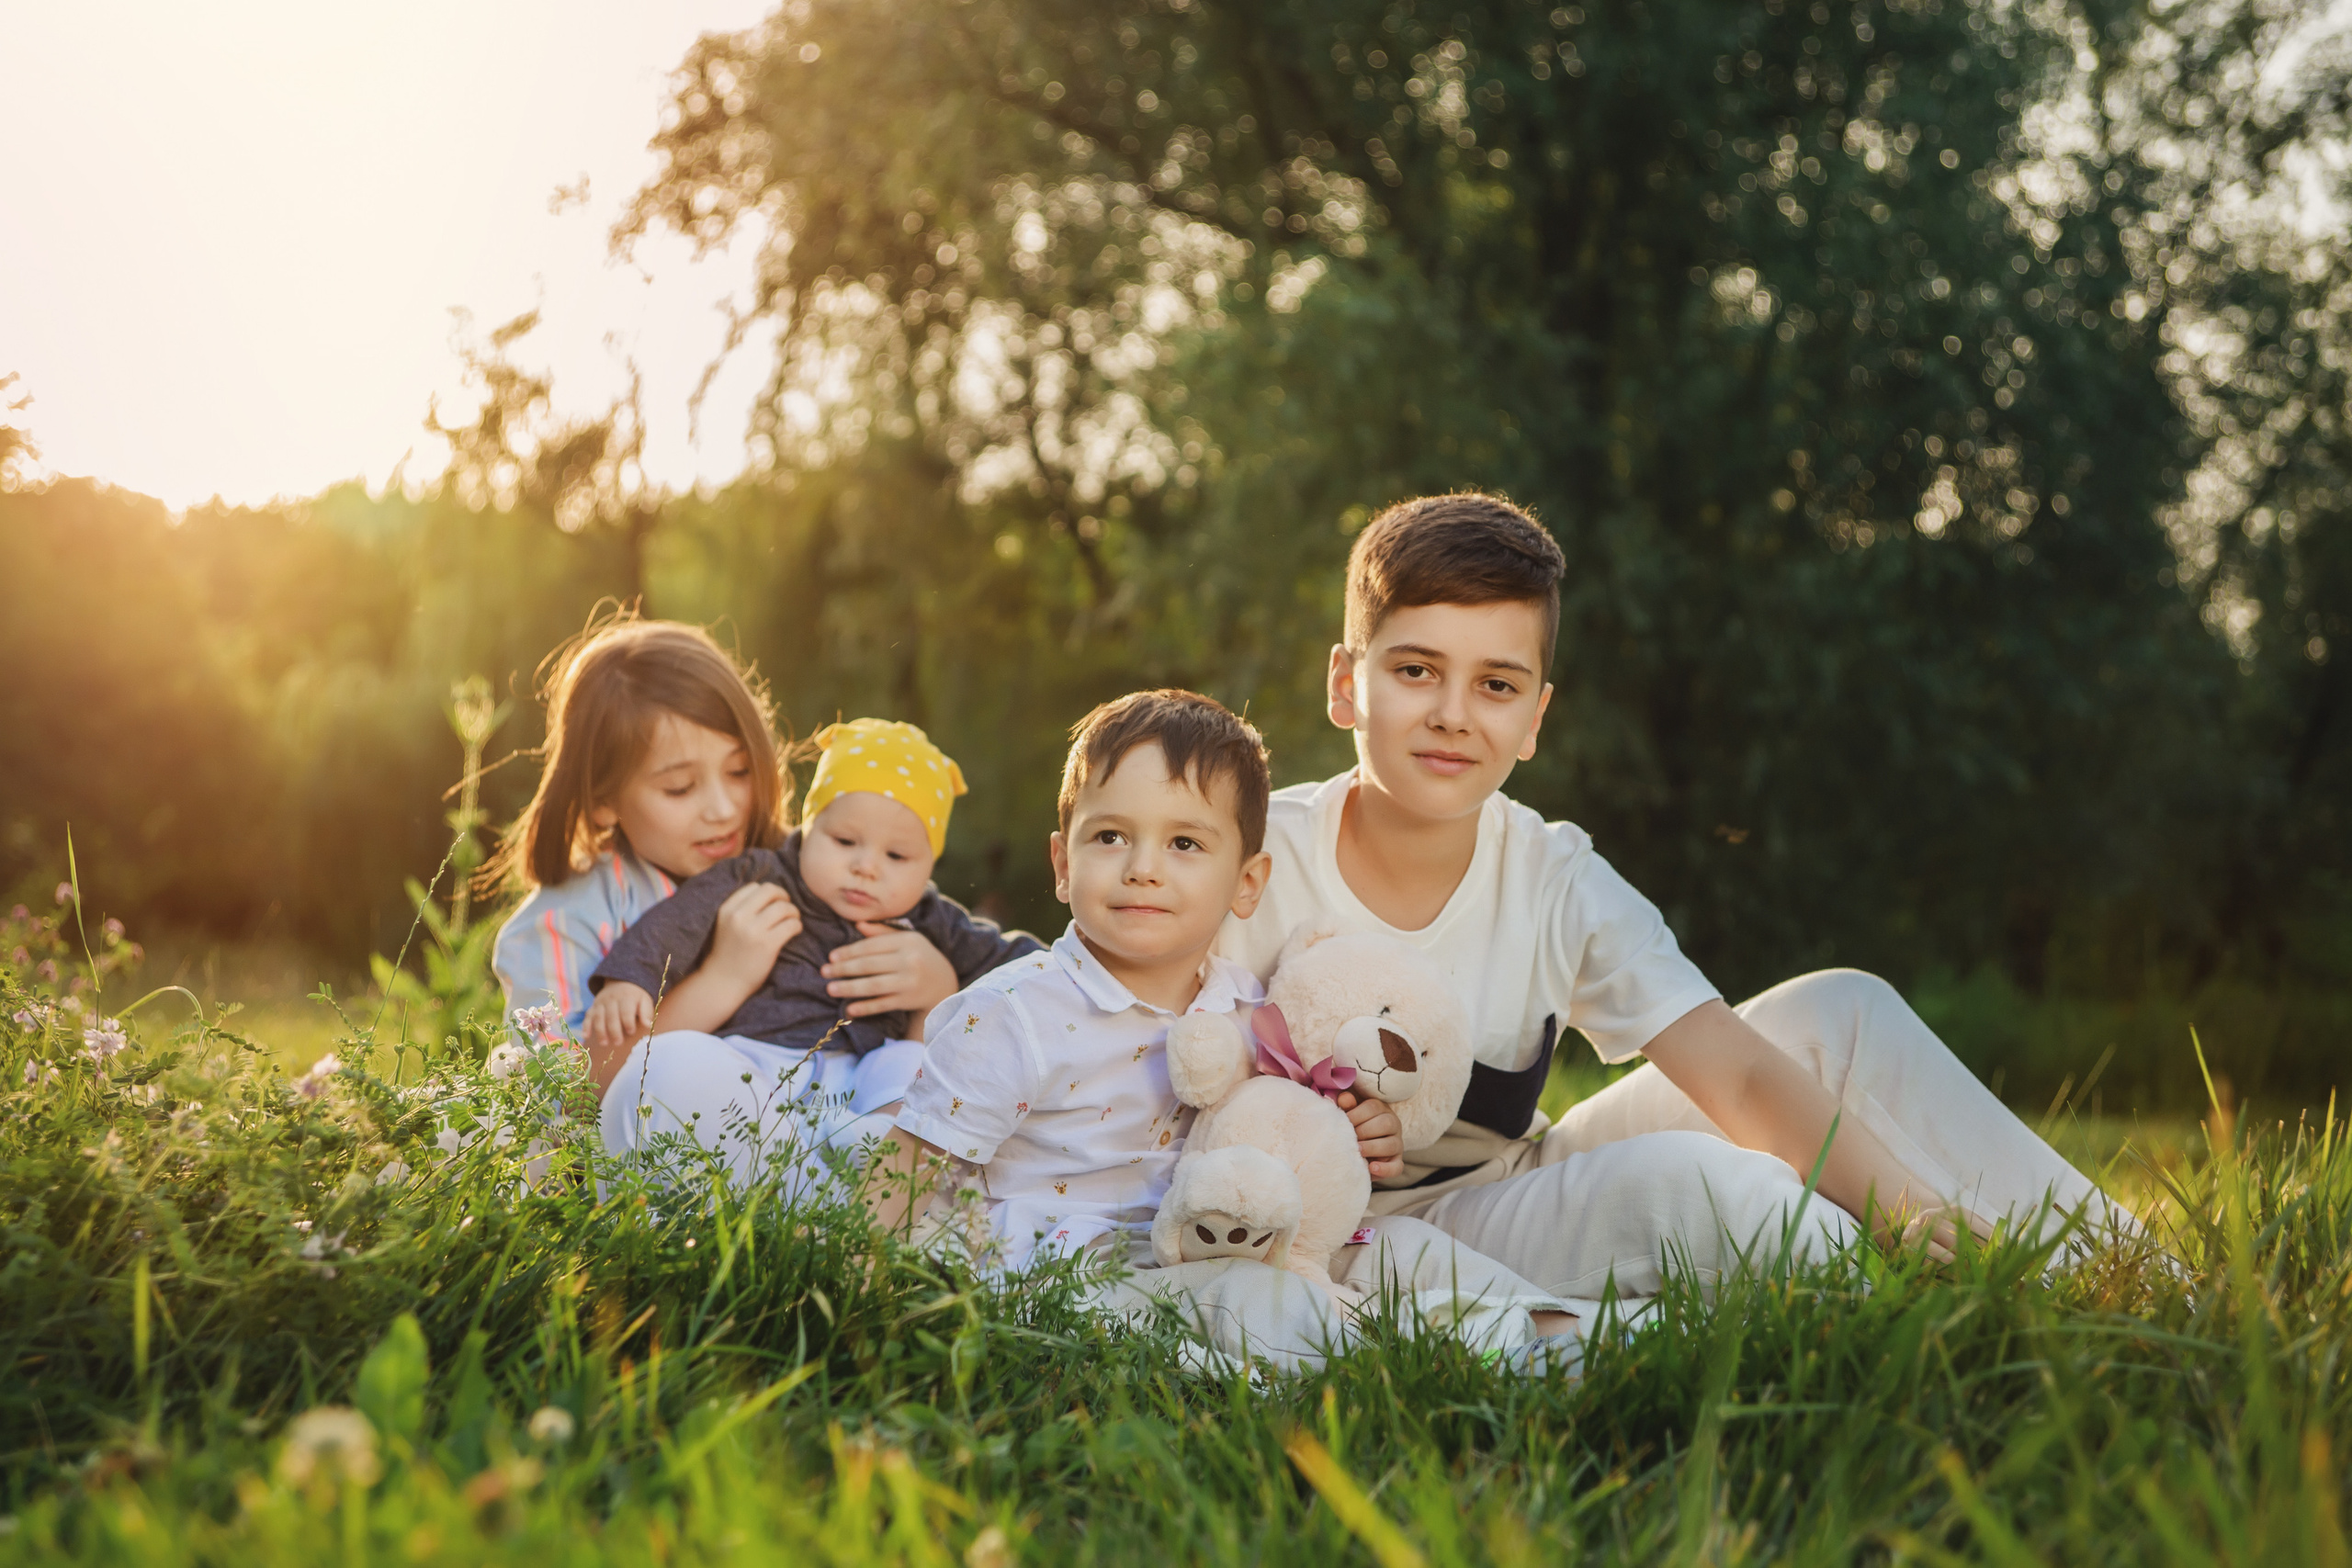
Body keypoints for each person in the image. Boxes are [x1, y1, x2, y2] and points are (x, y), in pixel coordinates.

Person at [1206, 492, 2143, 1329]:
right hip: (1354, 1236)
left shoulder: (1551, 874)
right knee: (1710, 1188)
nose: (1454, 713)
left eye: (1496, 684)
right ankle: (1946, 1318)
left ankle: (2128, 1283)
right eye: (1415, 671)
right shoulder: (1252, 858)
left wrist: (1905, 1203)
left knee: (1837, 1011)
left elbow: (1733, 1075)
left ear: (1535, 717)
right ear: (1346, 685)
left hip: (1508, 1188)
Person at [865, 689, 1572, 1370]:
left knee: (1392, 1243)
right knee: (1257, 1298)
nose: (1143, 868)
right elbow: (910, 1164)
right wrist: (854, 1284)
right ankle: (1472, 1357)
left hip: (1231, 1237)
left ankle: (1565, 1327)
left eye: (1184, 843)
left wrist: (1364, 1132)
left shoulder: (1246, 1002)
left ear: (1247, 882)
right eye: (1110, 836)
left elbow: (1294, 1119)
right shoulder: (1019, 1013)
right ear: (1062, 863)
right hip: (1085, 1276)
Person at [489, 617, 969, 1148]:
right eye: (679, 787)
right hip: (655, 1173)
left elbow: (888, 1070)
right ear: (603, 797)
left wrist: (936, 994)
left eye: (740, 772)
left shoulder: (817, 873)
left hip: (827, 1141)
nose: (722, 810)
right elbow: (563, 1110)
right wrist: (723, 979)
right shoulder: (561, 924)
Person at [586, 718, 1041, 1184]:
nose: (865, 867)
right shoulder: (760, 874)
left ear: (928, 866)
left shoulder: (931, 920)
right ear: (809, 827)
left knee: (915, 1069)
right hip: (760, 1065)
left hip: (859, 1085)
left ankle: (873, 1154)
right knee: (699, 1065)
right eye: (844, 842)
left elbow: (1018, 963)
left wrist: (1079, 967)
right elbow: (675, 924)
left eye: (897, 857)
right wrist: (630, 979)